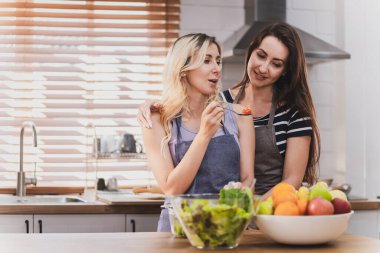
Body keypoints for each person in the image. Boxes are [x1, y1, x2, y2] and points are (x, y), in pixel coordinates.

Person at [138, 22, 320, 199]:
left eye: (276, 64)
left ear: (285, 71)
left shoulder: (291, 115)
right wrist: (157, 105)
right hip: (225, 213)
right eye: (261, 55)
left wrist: (249, 211)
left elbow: (291, 180)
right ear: (251, 52)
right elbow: (188, 107)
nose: (263, 68)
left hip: (268, 211)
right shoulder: (220, 102)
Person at [141, 33, 255, 232]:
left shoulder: (240, 116)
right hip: (177, 232)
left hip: (225, 229)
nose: (217, 69)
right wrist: (204, 135)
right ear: (183, 69)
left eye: (218, 61)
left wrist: (237, 200)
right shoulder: (158, 120)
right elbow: (171, 188)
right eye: (207, 60)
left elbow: (247, 180)